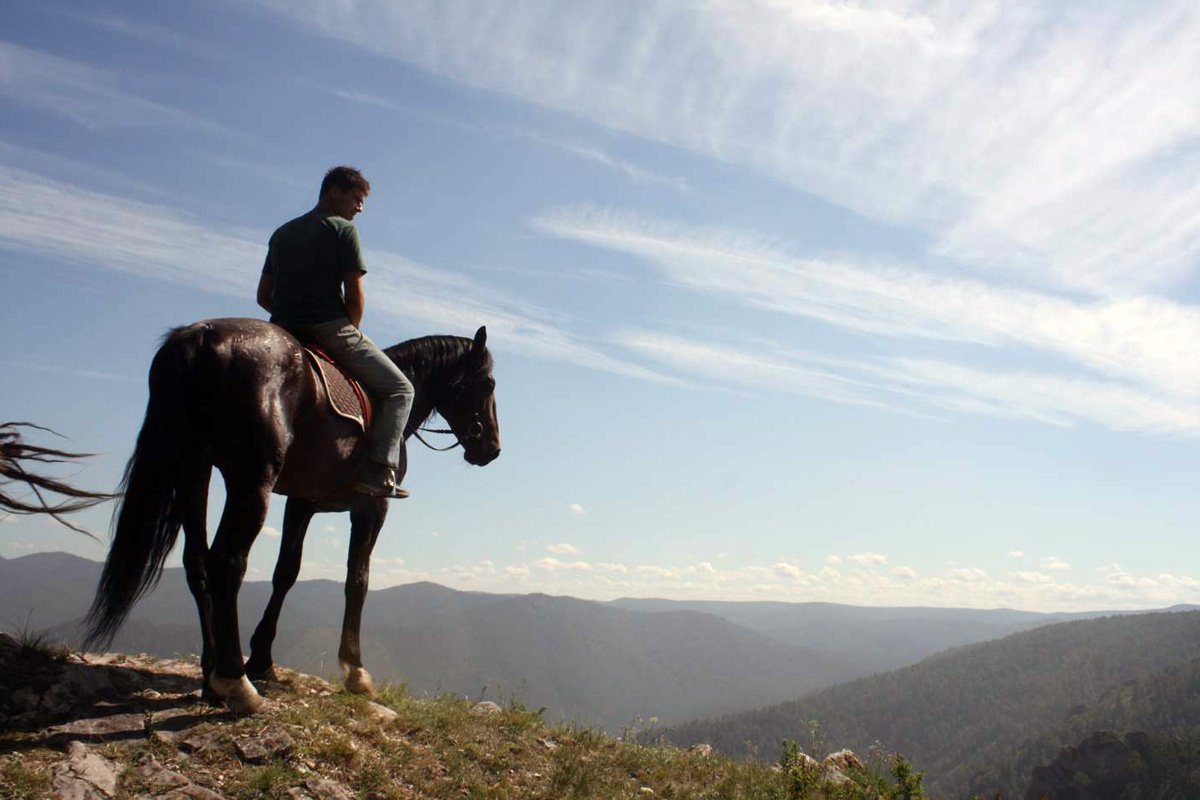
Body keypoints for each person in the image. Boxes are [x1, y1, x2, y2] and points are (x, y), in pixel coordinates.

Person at [256, 166, 413, 498]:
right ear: (334, 192)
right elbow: (355, 296)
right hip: (330, 327)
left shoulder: (282, 233)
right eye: (356, 198)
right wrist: (349, 331)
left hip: (282, 327)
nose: (360, 208)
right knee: (401, 389)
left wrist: (288, 316)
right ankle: (382, 470)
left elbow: (262, 296)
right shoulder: (343, 231)